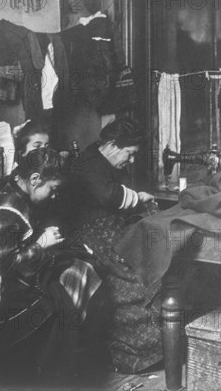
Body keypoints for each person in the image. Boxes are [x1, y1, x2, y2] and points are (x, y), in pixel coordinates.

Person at [0, 148, 103, 384]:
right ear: (35, 179)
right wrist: (42, 243)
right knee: (60, 299)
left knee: (79, 269)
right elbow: (8, 264)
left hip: (12, 277)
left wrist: (62, 246)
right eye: (53, 189)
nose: (54, 196)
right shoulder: (6, 207)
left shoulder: (17, 192)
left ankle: (54, 369)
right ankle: (50, 376)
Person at [64, 117, 161, 373]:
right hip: (91, 234)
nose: (129, 161)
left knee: (154, 257)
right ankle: (132, 354)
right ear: (113, 145)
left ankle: (155, 349)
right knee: (134, 272)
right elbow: (110, 195)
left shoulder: (101, 161)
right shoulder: (89, 163)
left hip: (107, 228)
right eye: (129, 154)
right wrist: (139, 198)